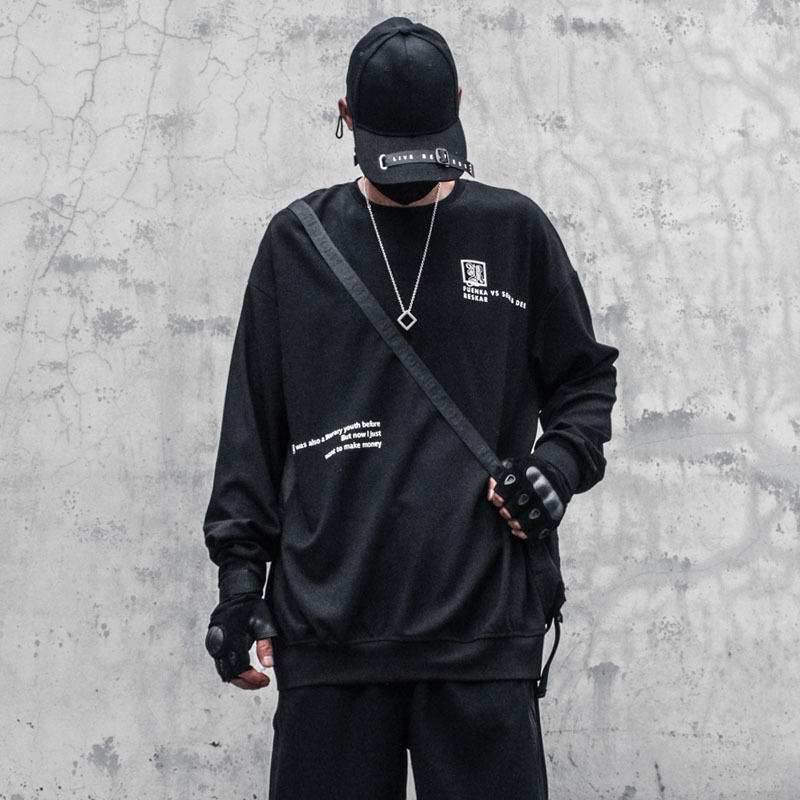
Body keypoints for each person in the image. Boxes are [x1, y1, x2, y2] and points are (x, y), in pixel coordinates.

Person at [203, 16, 618, 800]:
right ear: (345, 118)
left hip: (482, 632)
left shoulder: (514, 230)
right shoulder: (295, 244)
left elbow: (585, 383)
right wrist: (237, 590)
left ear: (458, 106)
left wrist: (556, 467)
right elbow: (252, 430)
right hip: (330, 632)